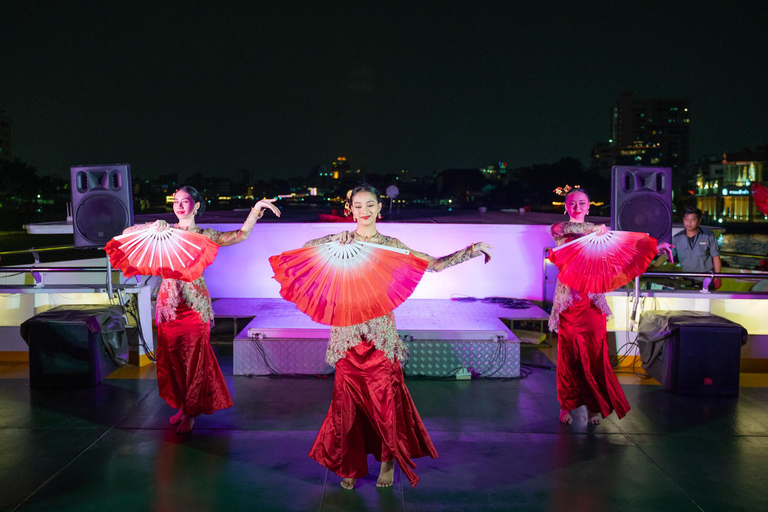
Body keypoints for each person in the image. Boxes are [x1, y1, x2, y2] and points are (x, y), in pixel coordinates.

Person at [304, 184, 492, 489]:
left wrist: (470, 251)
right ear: (349, 209)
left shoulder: (390, 246)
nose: (363, 211)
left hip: (380, 338)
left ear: (380, 208)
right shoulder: (339, 244)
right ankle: (349, 464)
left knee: (385, 404)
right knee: (345, 407)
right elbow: (307, 251)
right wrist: (329, 238)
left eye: (370, 205)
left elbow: (433, 264)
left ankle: (387, 461)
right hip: (347, 336)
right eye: (358, 206)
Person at [123, 186, 280, 433]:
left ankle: (191, 413)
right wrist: (153, 226)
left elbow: (239, 235)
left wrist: (255, 210)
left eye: (185, 201)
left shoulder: (204, 235)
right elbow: (127, 233)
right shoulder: (164, 232)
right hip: (170, 307)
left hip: (195, 307)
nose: (179, 205)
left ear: (196, 206)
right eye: (176, 201)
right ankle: (184, 406)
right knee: (173, 361)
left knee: (194, 361)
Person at [549, 186, 673, 425]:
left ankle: (595, 407)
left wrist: (655, 248)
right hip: (569, 304)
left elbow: (623, 254)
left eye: (582, 203)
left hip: (592, 303)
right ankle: (567, 405)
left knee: (596, 357)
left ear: (589, 205)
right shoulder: (560, 229)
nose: (577, 207)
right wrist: (596, 228)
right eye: (572, 203)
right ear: (566, 206)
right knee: (570, 357)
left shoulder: (600, 235)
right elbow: (573, 228)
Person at [671, 207, 721, 289]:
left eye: (693, 220)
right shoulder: (677, 238)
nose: (689, 223)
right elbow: (667, 255)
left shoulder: (709, 235)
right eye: (686, 220)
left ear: (699, 221)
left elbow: (716, 256)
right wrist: (652, 267)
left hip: (706, 280)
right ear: (683, 220)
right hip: (686, 279)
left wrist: (718, 277)